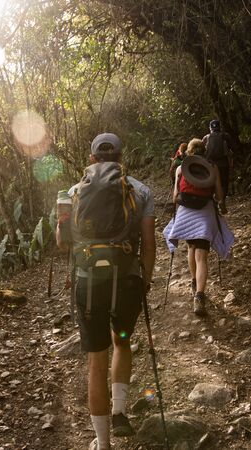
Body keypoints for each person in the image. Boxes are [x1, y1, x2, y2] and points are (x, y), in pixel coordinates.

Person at [56, 133, 155, 450]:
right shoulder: (140, 191)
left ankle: (103, 443)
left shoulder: (73, 192)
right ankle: (120, 412)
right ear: (121, 158)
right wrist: (146, 280)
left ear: (91, 159)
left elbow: (62, 244)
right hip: (126, 282)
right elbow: (149, 243)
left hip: (88, 285)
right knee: (122, 341)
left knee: (95, 362)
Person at [164, 138, 234, 316]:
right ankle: (200, 296)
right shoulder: (212, 167)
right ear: (205, 151)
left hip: (186, 213)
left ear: (188, 151)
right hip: (205, 213)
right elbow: (219, 195)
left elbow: (175, 197)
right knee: (201, 256)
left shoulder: (181, 168)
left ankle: (194, 281)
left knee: (191, 248)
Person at [202, 119, 233, 213]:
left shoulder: (206, 138)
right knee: (224, 183)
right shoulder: (225, 135)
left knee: (211, 183)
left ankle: (213, 204)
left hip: (210, 164)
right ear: (220, 127)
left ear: (210, 128)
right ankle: (222, 201)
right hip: (223, 163)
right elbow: (232, 148)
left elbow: (202, 151)